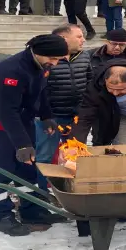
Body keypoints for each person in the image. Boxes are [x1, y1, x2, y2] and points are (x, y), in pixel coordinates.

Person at [0, 35, 70, 236]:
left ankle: (31, 210)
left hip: (22, 122)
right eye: (52, 58)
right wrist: (22, 144)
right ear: (37, 52)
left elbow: (41, 92)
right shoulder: (12, 70)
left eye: (58, 59)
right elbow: (6, 111)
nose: (55, 63)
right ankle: (1, 215)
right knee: (0, 172)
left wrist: (46, 116)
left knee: (27, 169)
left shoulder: (40, 65)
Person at [36, 24, 92, 189]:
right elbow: (38, 90)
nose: (83, 40)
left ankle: (72, 189)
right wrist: (46, 115)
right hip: (51, 118)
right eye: (79, 36)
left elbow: (90, 81)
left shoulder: (84, 56)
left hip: (76, 117)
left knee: (76, 156)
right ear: (63, 38)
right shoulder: (46, 59)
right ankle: (41, 192)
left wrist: (85, 109)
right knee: (45, 156)